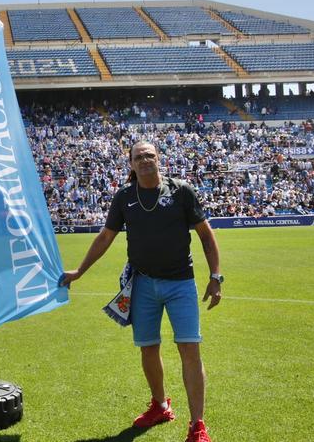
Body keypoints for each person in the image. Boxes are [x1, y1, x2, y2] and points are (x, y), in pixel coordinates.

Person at [62, 140, 223, 442]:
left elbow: (206, 236)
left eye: (150, 155)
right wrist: (79, 271)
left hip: (181, 284)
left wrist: (216, 276)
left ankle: (197, 424)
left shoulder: (181, 191)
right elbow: (105, 237)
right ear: (132, 164)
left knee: (190, 349)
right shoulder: (124, 197)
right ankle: (160, 406)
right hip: (142, 284)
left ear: (158, 159)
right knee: (148, 348)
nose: (145, 160)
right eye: (139, 157)